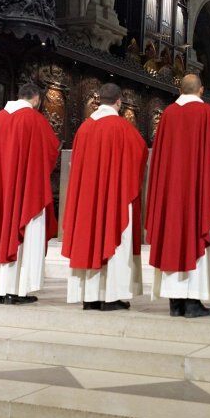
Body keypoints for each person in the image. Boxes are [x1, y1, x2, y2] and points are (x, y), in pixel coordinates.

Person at [145, 74, 210, 318]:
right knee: (196, 234)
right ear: (201, 90)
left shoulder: (168, 115)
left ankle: (175, 303)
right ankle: (192, 303)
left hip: (171, 195)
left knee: (172, 237)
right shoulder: (208, 114)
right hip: (199, 196)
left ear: (179, 89)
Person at [61, 83, 147, 311]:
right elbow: (140, 156)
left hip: (87, 201)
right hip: (114, 200)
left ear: (99, 101)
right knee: (115, 239)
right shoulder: (123, 128)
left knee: (88, 240)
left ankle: (89, 296)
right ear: (119, 102)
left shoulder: (84, 128)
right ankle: (111, 296)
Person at [0, 83, 61, 305]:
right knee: (24, 235)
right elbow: (51, 150)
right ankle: (16, 290)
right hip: (24, 193)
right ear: (36, 99)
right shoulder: (34, 119)